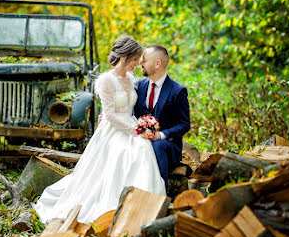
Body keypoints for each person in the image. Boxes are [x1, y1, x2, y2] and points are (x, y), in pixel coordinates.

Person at [34, 36, 165, 224]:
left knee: (142, 150)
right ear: (124, 57)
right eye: (135, 59)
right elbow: (112, 116)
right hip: (113, 130)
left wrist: (141, 126)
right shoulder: (106, 81)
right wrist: (136, 130)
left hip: (131, 125)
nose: (137, 64)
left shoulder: (130, 78)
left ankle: (142, 206)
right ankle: (114, 206)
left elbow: (124, 107)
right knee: (125, 153)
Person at [134, 45, 191, 189]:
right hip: (141, 139)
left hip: (167, 145)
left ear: (157, 64)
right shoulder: (139, 85)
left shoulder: (178, 91)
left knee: (157, 145)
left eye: (145, 60)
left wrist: (161, 135)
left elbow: (185, 124)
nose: (141, 64)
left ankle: (160, 192)